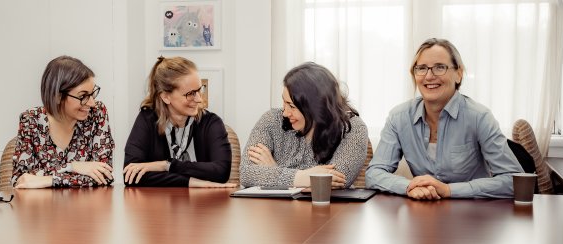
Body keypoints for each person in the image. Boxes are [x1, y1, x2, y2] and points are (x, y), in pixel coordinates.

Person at [365, 38, 524, 199]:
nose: (429, 76)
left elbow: (514, 180)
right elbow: (374, 174)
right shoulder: (399, 117)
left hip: (474, 215)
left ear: (458, 74)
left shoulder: (480, 117)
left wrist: (449, 190)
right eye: (421, 68)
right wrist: (409, 187)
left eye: (439, 67)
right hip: (423, 214)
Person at [239, 62, 368, 189]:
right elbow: (246, 173)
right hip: (274, 209)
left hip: (327, 209)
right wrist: (303, 178)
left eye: (292, 106)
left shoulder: (353, 128)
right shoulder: (272, 120)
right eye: (284, 102)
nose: (285, 113)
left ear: (317, 107)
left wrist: (273, 171)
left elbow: (335, 181)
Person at [123, 56, 236, 187]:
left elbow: (221, 171)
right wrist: (192, 182)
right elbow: (131, 175)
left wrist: (167, 165)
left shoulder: (211, 122)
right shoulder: (147, 119)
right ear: (166, 97)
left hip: (204, 205)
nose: (199, 99)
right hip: (158, 206)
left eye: (199, 90)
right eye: (190, 94)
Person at [12, 56, 114, 188]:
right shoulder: (31, 120)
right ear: (57, 96)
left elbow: (104, 175)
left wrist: (48, 180)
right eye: (83, 96)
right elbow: (21, 180)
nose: (92, 103)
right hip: (41, 206)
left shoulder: (97, 114)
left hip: (87, 206)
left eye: (92, 94)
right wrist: (73, 167)